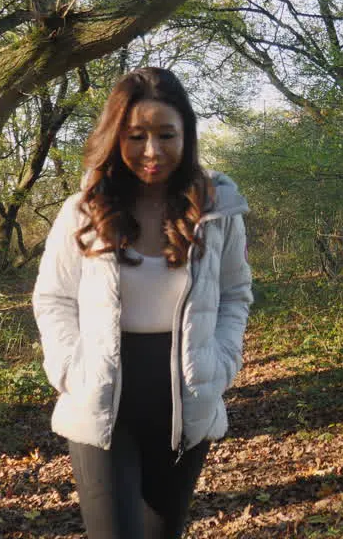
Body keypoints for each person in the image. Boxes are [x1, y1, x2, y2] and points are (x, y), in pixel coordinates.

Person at [31, 66, 253, 539]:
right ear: (116, 138)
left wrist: (223, 360)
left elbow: (235, 293)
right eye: (136, 135)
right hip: (102, 395)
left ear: (186, 135)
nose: (152, 151)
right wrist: (71, 370)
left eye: (165, 134)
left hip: (185, 394)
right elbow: (53, 298)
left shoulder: (216, 212)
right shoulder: (83, 211)